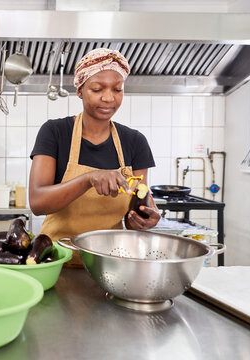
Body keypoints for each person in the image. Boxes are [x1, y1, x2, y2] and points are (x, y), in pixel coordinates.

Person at [29, 48, 161, 265]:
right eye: (97, 89)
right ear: (80, 91)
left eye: (117, 90)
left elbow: (136, 209)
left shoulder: (135, 141)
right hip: (56, 261)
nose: (108, 98)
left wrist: (145, 218)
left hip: (111, 263)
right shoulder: (55, 132)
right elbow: (37, 202)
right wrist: (89, 179)